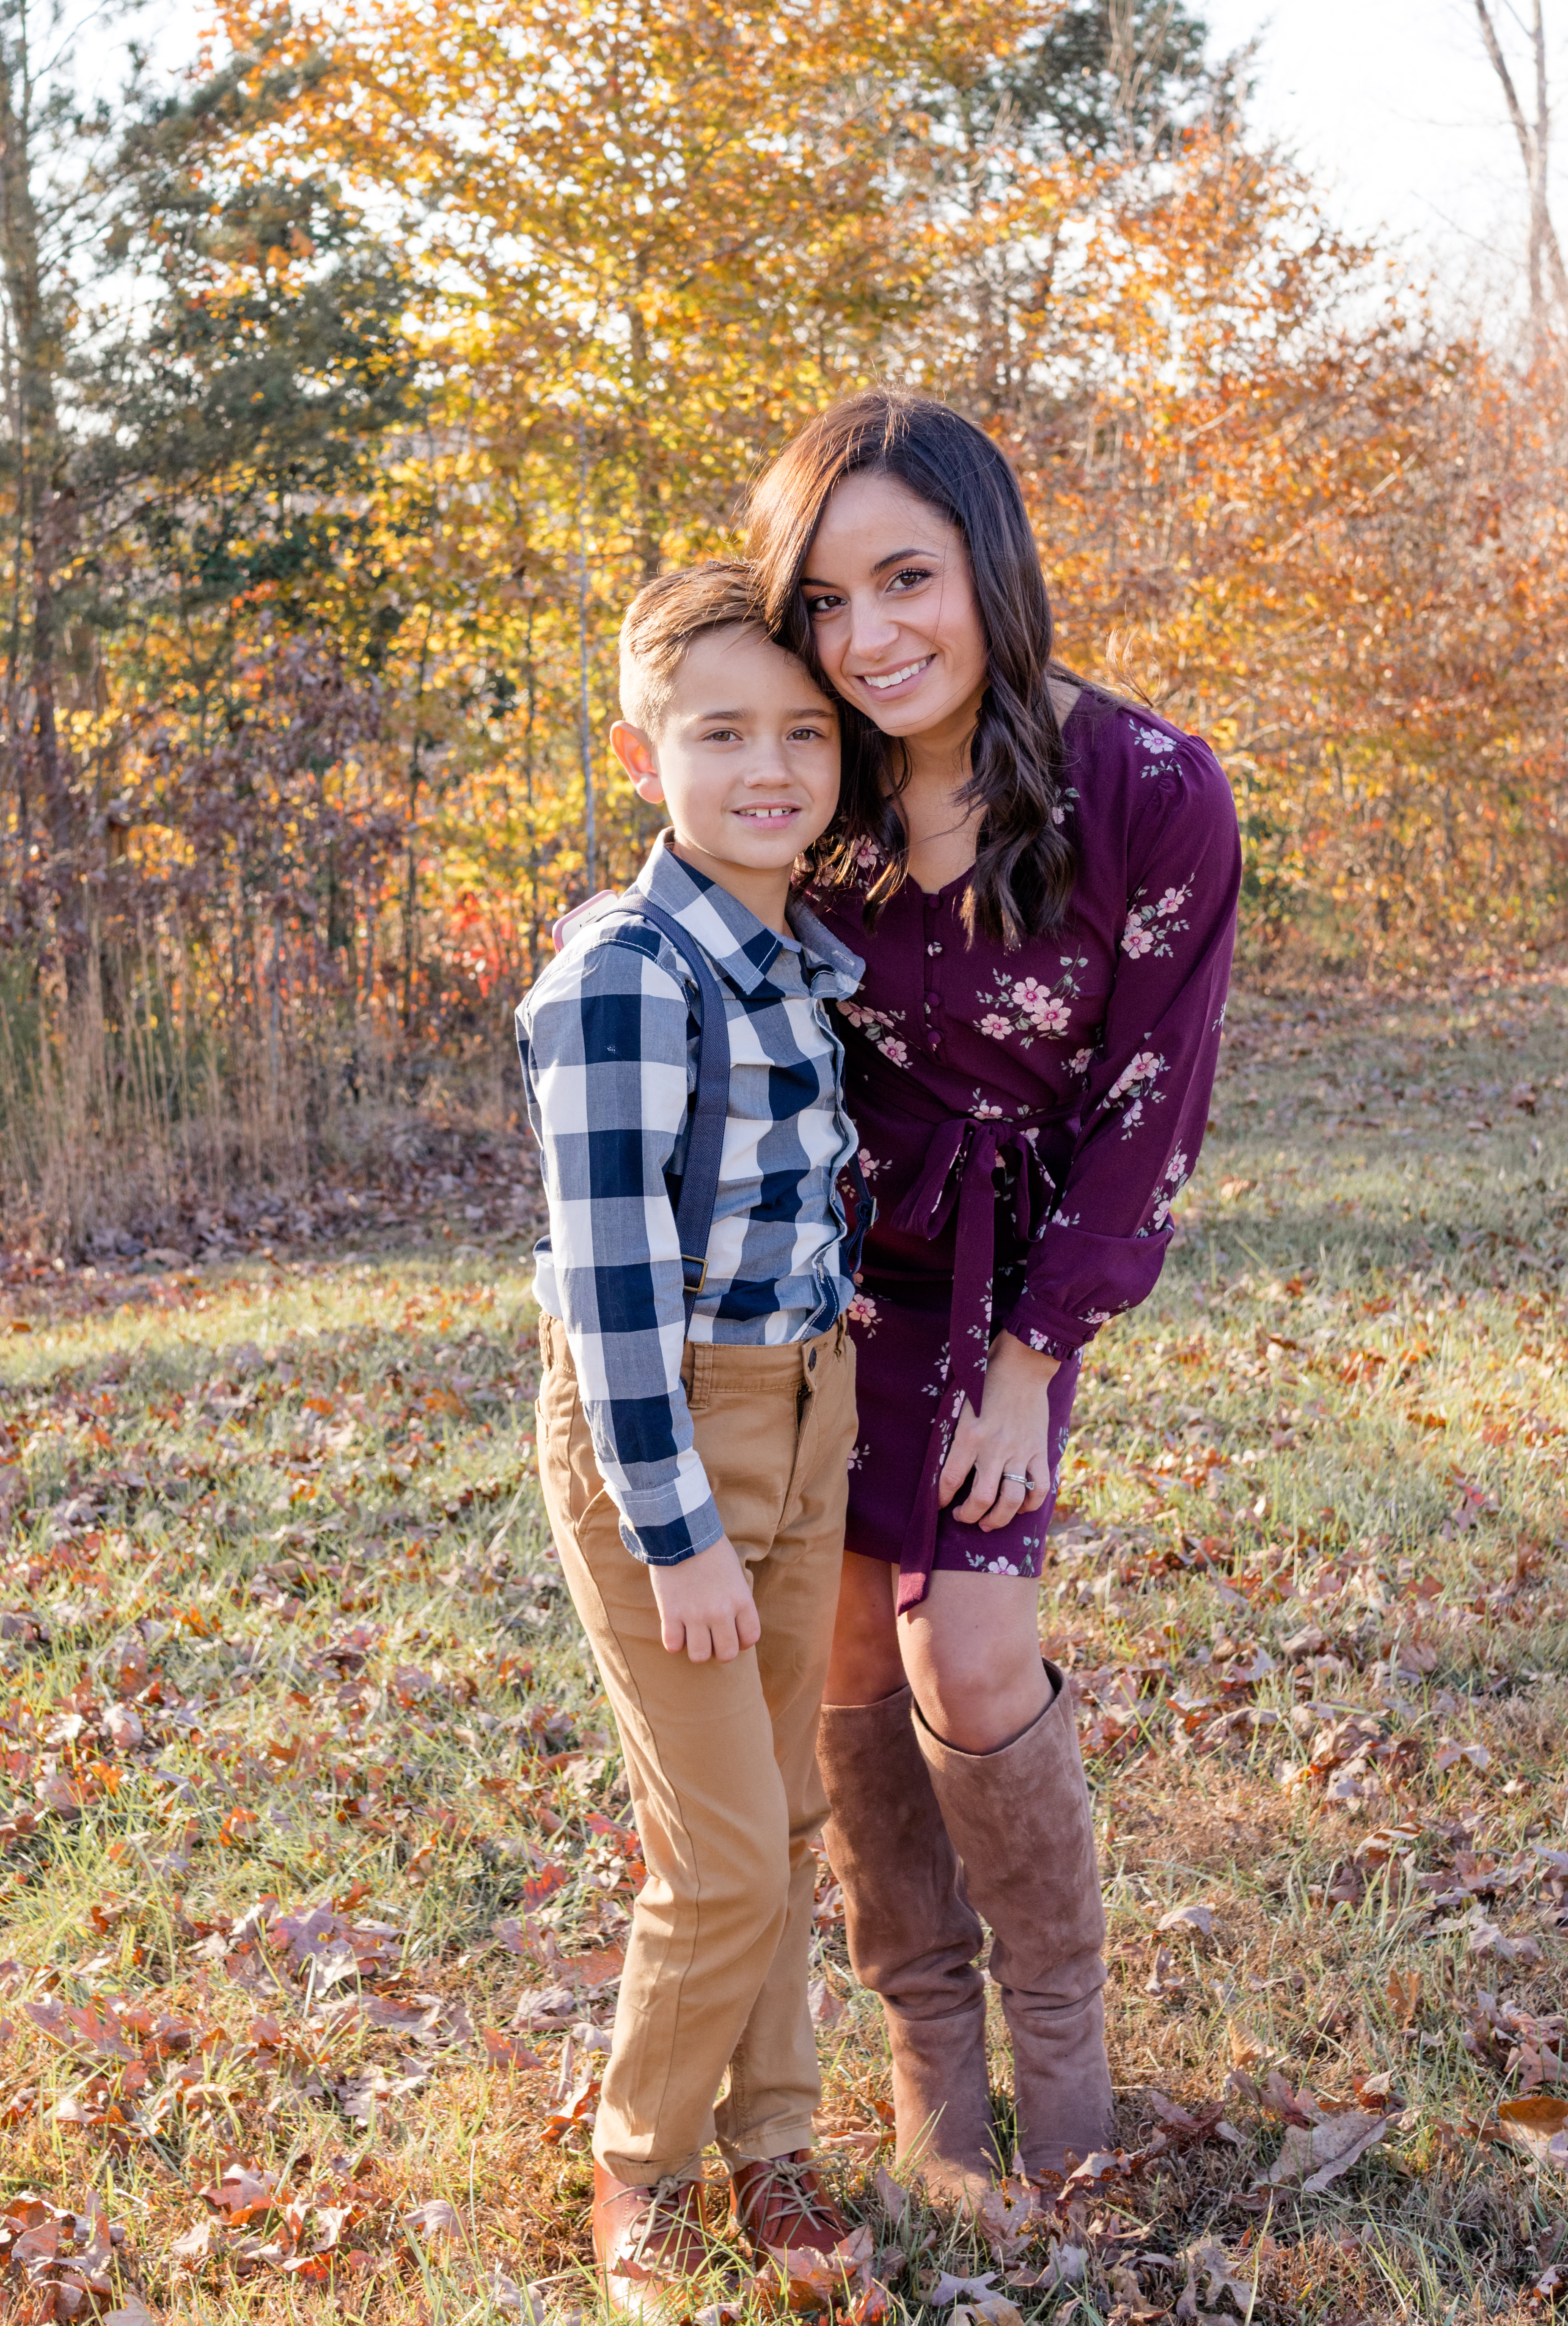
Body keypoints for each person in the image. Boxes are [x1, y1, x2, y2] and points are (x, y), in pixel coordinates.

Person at [744, 390, 1242, 2202]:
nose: (867, 638)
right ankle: (934, 2096)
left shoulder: (1149, 791)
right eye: (824, 601)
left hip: (1004, 1284)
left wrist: (1038, 1355)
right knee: (856, 1651)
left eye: (904, 580)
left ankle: (1069, 2086)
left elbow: (1150, 1098)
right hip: (823, 1279)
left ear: (988, 568)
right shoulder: (810, 792)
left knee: (975, 1650)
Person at [515, 561, 871, 2317]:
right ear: (642, 750)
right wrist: (677, 1531)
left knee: (786, 1809)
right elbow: (609, 1290)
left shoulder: (797, 954)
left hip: (809, 1407)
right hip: (666, 1437)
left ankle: (773, 2141)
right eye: (722, 730)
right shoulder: (622, 978)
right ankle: (637, 2167)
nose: (771, 766)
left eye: (803, 731)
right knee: (722, 1844)